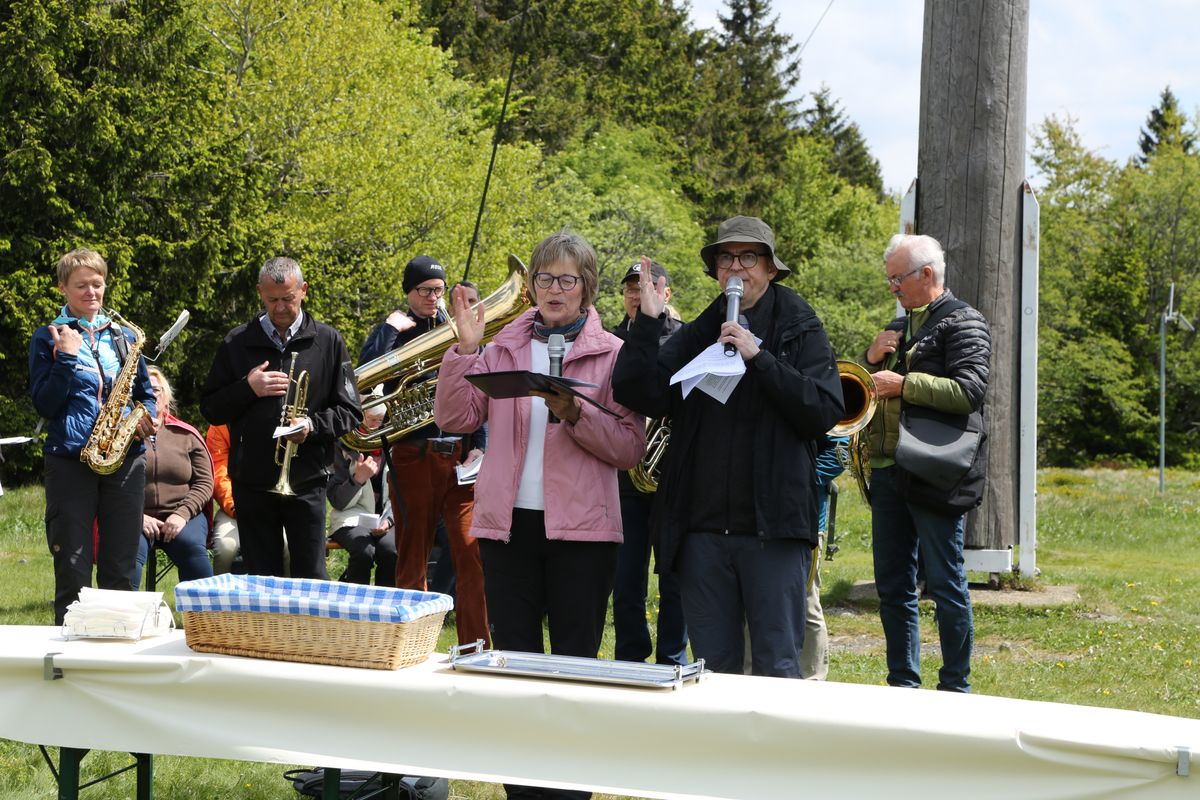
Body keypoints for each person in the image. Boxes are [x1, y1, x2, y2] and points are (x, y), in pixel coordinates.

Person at [436, 231, 644, 799]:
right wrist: (463, 350)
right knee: (517, 672)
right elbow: (456, 418)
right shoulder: (501, 346)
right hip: (509, 530)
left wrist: (575, 412)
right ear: (531, 286)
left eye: (567, 279)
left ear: (587, 289)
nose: (554, 289)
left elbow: (628, 448)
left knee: (575, 670)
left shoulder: (615, 355)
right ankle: (523, 793)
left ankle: (570, 792)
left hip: (584, 534)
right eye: (545, 278)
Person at [612, 215, 844, 678]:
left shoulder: (800, 325)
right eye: (726, 258)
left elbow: (823, 409)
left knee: (777, 668)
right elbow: (639, 392)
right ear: (716, 270)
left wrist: (760, 359)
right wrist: (647, 325)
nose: (736, 268)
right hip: (702, 533)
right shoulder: (703, 328)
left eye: (748, 257)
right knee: (713, 672)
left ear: (771, 268)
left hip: (773, 532)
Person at [860, 232, 991, 693]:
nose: (892, 288)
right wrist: (869, 358)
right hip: (890, 471)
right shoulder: (901, 325)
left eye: (897, 279)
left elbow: (970, 392)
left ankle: (955, 687)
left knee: (945, 584)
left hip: (936, 471)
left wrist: (905, 383)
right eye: (891, 280)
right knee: (893, 587)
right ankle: (903, 684)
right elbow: (873, 386)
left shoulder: (965, 322)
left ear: (927, 274)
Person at [199, 257, 361, 579]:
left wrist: (312, 426)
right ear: (260, 293)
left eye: (288, 298)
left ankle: (310, 632)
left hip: (307, 480)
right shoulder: (237, 342)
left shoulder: (328, 341)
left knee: (311, 576)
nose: (281, 307)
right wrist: (248, 388)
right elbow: (211, 408)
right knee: (262, 579)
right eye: (272, 299)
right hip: (253, 482)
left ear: (304, 290)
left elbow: (350, 412)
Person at [359, 256, 488, 646]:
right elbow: (365, 376)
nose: (434, 297)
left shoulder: (456, 329)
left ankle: (475, 645)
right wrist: (387, 329)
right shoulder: (395, 331)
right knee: (412, 555)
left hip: (460, 456)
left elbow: (477, 387)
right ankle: (411, 644)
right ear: (409, 292)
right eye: (426, 290)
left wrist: (479, 446)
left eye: (439, 289)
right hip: (414, 454)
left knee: (472, 555)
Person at [29, 248, 158, 624]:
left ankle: (117, 655)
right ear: (62, 289)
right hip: (71, 460)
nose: (91, 292)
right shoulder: (47, 337)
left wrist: (146, 416)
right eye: (81, 285)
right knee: (72, 565)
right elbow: (45, 405)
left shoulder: (122, 336)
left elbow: (144, 394)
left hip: (124, 458)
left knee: (121, 566)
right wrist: (66, 358)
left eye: (97, 284)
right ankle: (68, 660)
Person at [610, 259, 688, 666]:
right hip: (625, 479)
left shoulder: (686, 338)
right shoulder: (610, 339)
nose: (638, 296)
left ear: (666, 293)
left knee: (674, 576)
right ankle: (629, 657)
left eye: (646, 287)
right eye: (631, 289)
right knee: (626, 580)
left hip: (673, 477)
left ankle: (673, 658)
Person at [133, 367, 215, 588]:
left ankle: (205, 620)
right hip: (135, 515)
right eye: (143, 389)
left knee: (190, 547)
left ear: (166, 397)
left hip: (183, 515)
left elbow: (205, 482)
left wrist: (182, 514)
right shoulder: (120, 437)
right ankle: (122, 621)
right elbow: (111, 482)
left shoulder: (186, 434)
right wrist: (138, 516)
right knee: (127, 555)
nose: (150, 394)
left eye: (156, 390)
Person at [328, 403, 397, 586]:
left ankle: (384, 608)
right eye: (371, 419)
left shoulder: (393, 443)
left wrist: (388, 521)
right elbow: (337, 501)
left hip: (388, 515)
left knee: (390, 550)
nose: (375, 425)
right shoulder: (343, 444)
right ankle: (356, 607)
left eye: (380, 420)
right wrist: (358, 479)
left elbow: (400, 495)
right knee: (364, 549)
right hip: (351, 517)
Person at [204, 423, 240, 574]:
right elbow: (219, 473)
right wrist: (235, 507)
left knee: (286, 546)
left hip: (274, 507)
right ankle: (220, 596)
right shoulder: (220, 424)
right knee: (226, 547)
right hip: (235, 508)